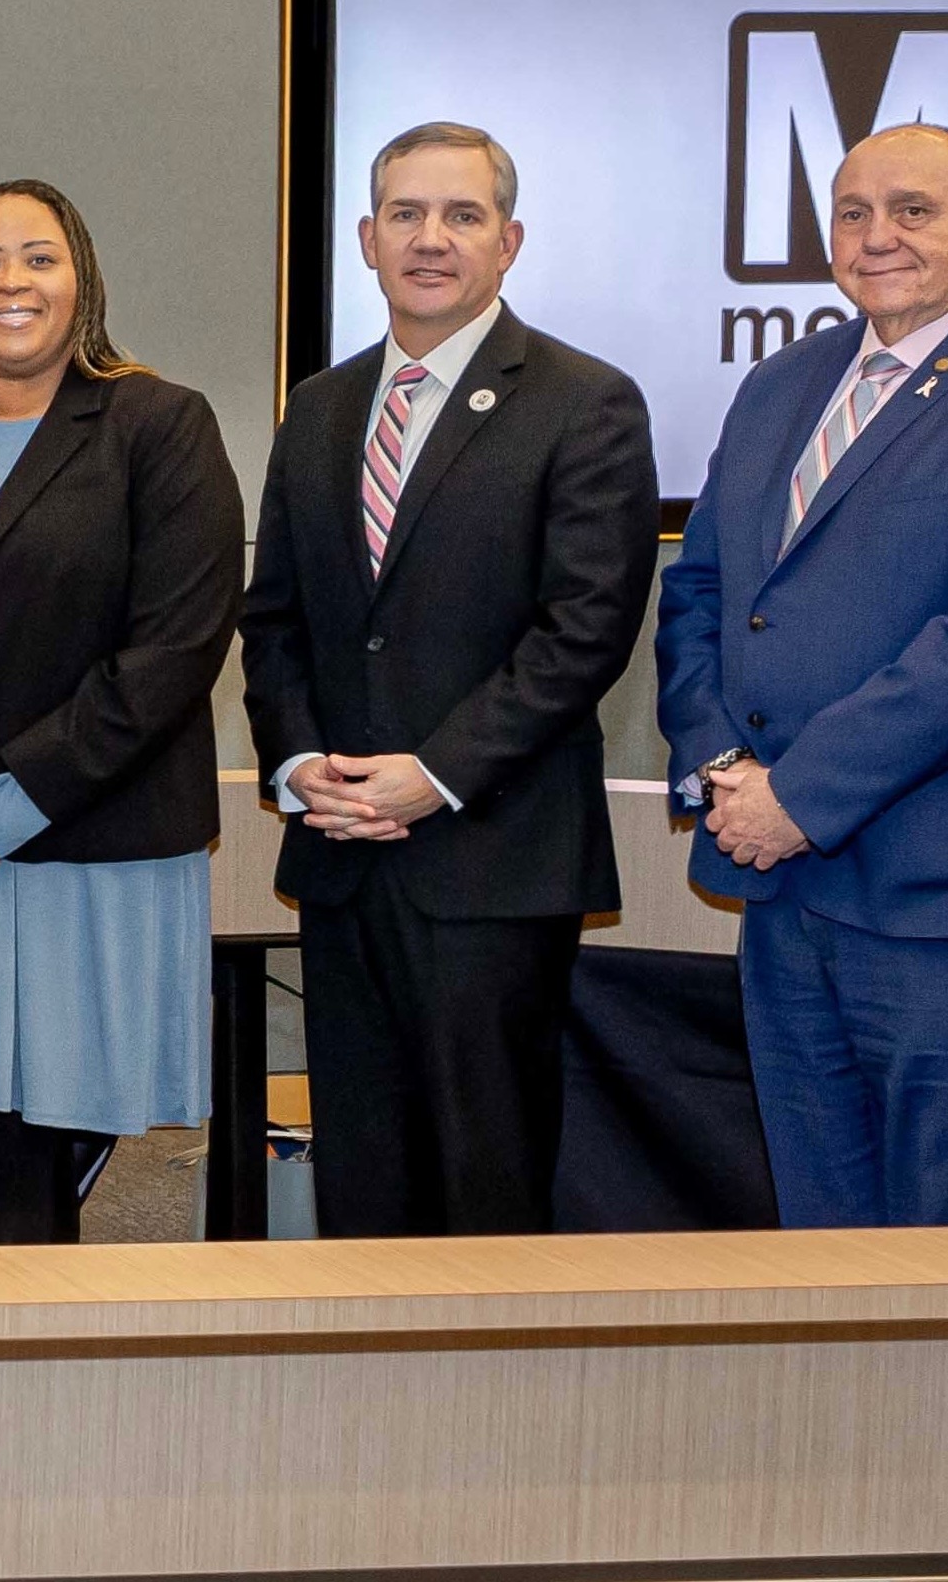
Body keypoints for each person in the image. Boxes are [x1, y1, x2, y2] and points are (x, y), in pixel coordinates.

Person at [659, 124, 948, 1230]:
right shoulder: (783, 383)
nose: (877, 237)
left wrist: (797, 796)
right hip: (786, 890)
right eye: (851, 212)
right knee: (820, 1242)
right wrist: (725, 766)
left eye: (912, 210)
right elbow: (703, 594)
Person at [237, 123, 659, 1239]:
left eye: (461, 215)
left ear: (508, 240)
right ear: (366, 240)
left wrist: (432, 773)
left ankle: (493, 1417)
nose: (430, 238)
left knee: (484, 1179)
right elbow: (272, 616)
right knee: (361, 1183)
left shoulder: (583, 401)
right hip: (338, 854)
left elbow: (584, 629)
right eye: (405, 214)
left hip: (492, 861)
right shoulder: (321, 407)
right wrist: (294, 764)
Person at [0, 181, 248, 1244]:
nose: (10, 282)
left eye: (37, 256)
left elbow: (170, 652)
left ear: (82, 279)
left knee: (41, 1153)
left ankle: (26, 1386)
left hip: (83, 850)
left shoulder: (155, 425)